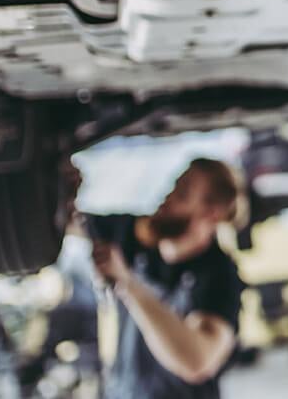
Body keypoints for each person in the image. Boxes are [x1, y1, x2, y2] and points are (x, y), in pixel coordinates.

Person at [85, 158, 246, 398]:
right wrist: (61, 190)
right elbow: (60, 223)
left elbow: (197, 362)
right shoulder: (133, 234)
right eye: (173, 187)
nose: (167, 199)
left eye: (182, 195)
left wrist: (128, 285)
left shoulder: (219, 275)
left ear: (210, 213)